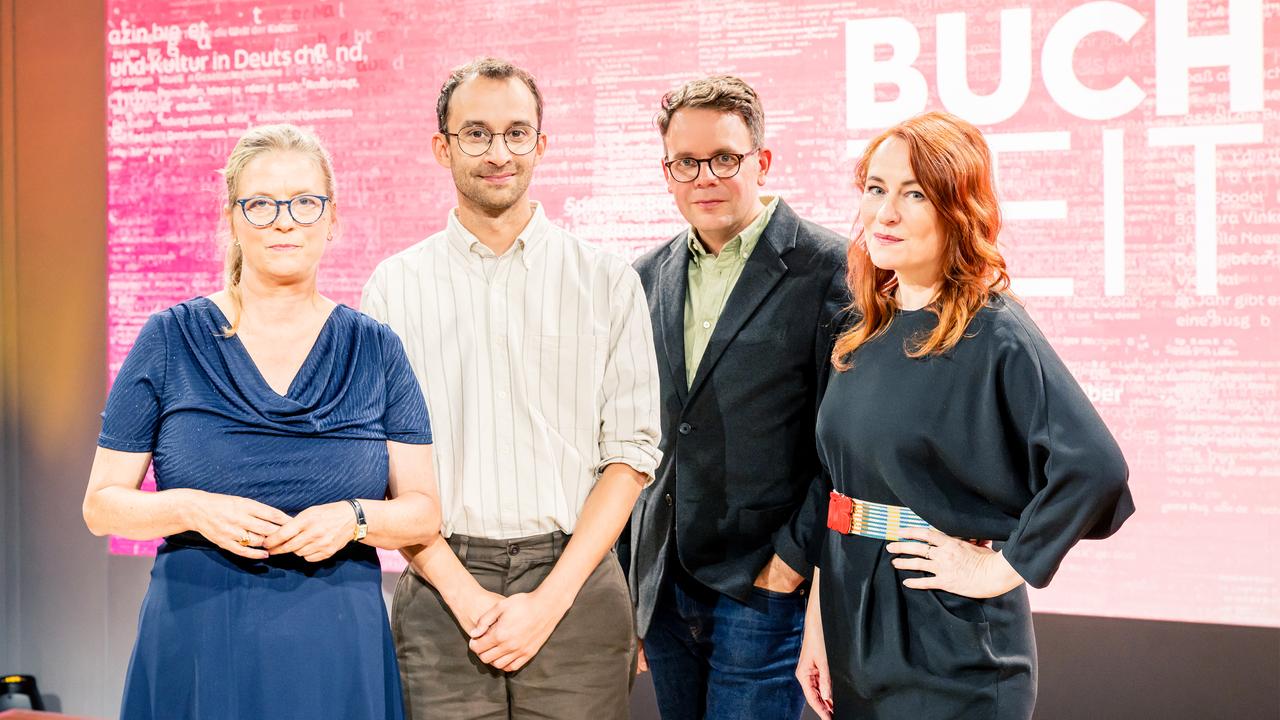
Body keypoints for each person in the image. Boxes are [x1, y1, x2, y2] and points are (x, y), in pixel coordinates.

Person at [83, 124, 441, 720]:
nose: (284, 221)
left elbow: (424, 510)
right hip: (198, 631)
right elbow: (102, 506)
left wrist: (354, 519)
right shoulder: (170, 339)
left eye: (305, 202)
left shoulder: (376, 348)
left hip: (336, 639)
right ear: (232, 217)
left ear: (332, 217)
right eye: (261, 204)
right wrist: (190, 508)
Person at [794, 111, 1135, 720]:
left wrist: (1000, 568)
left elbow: (1095, 468)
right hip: (852, 621)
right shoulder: (861, 328)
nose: (885, 213)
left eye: (915, 194)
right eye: (876, 189)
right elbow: (840, 486)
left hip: (947, 637)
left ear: (958, 209)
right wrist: (819, 616)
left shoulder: (993, 330)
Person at [361, 57, 662, 720]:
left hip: (575, 586)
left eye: (517, 133)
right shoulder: (393, 287)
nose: (499, 152)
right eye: (476, 134)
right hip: (439, 588)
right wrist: (467, 597)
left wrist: (548, 600)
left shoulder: (606, 281)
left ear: (542, 144)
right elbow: (378, 461)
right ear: (442, 147)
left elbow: (632, 454)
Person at [624, 75, 848, 720]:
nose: (706, 177)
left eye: (724, 158)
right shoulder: (643, 277)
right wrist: (630, 582)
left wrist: (791, 558)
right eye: (686, 163)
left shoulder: (831, 268)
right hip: (665, 583)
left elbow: (846, 439)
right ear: (667, 172)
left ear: (762, 161)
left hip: (763, 583)